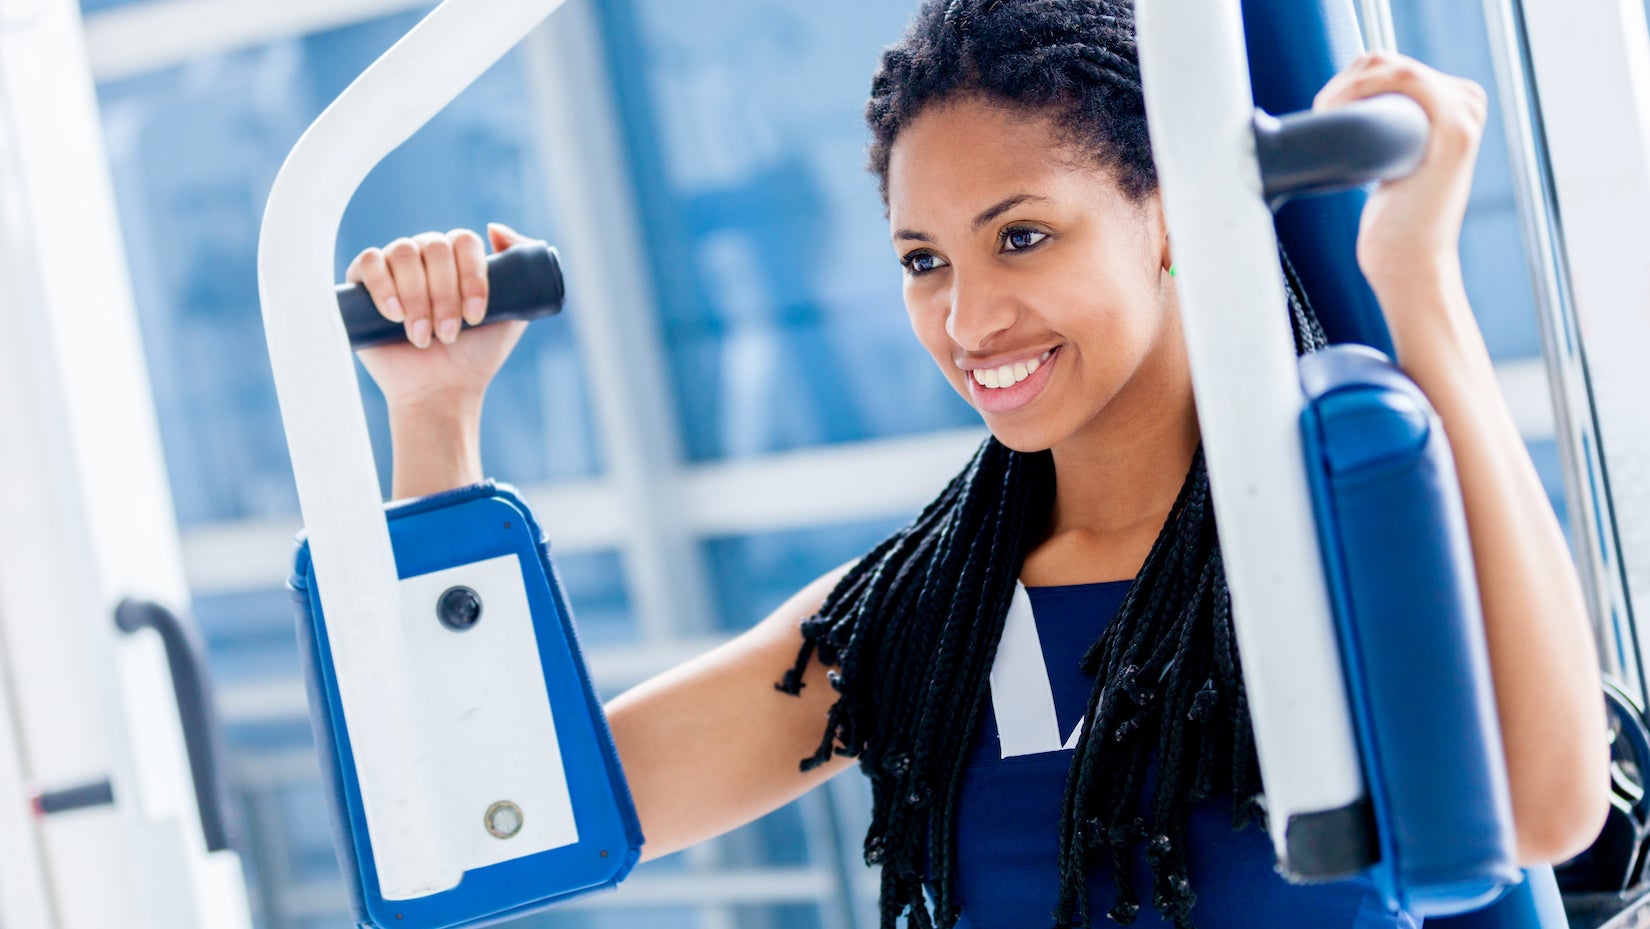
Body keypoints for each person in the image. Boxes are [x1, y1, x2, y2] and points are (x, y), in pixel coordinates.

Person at [341, 2, 1609, 926]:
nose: (968, 317)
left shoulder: (1329, 542)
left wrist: (1417, 278)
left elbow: (1550, 808)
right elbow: (507, 819)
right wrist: (435, 417)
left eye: (1023, 236)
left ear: (1172, 216)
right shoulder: (925, 618)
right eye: (924, 260)